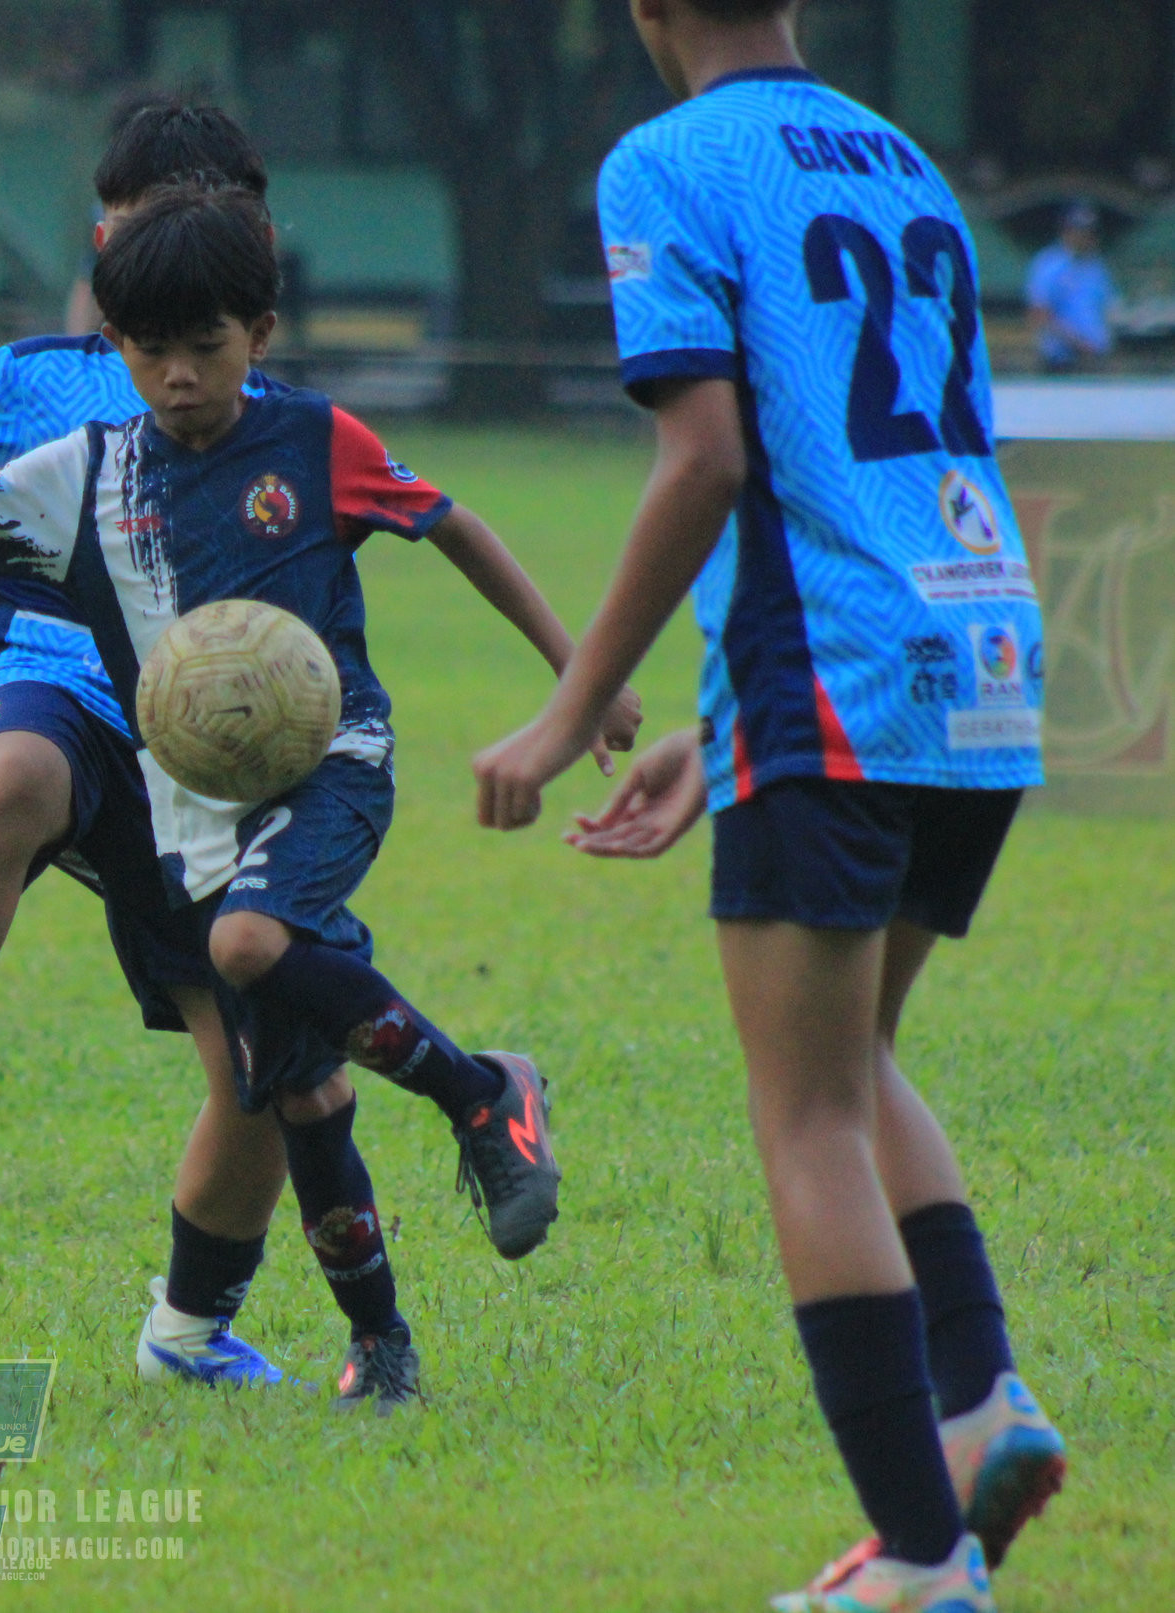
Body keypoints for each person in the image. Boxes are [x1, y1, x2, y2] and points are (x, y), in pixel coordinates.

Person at [0, 104, 628, 1390]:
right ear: (112, 305)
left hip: (319, 770)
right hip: (159, 778)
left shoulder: (310, 435)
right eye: (152, 345)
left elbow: (456, 524)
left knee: (253, 995)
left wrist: (580, 685)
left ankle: (472, 1101)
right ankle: (374, 1340)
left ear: (257, 316)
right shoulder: (72, 447)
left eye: (206, 339)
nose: (181, 371)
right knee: (290, 1083)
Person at [468, 3, 1063, 1608]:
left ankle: (922, 1566)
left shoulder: (663, 160)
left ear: (646, 10)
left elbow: (705, 461)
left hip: (837, 675)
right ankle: (979, 1401)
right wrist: (724, 727)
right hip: (978, 652)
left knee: (801, 1114)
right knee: (855, 1064)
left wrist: (572, 708)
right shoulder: (901, 156)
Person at [1025, 203, 1114, 373]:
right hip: (1061, 362)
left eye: (1090, 232)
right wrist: (1079, 344)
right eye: (1080, 231)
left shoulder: (1096, 267)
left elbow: (1106, 308)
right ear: (1066, 231)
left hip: (1096, 360)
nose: (1086, 237)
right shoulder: (1049, 265)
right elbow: (1039, 314)